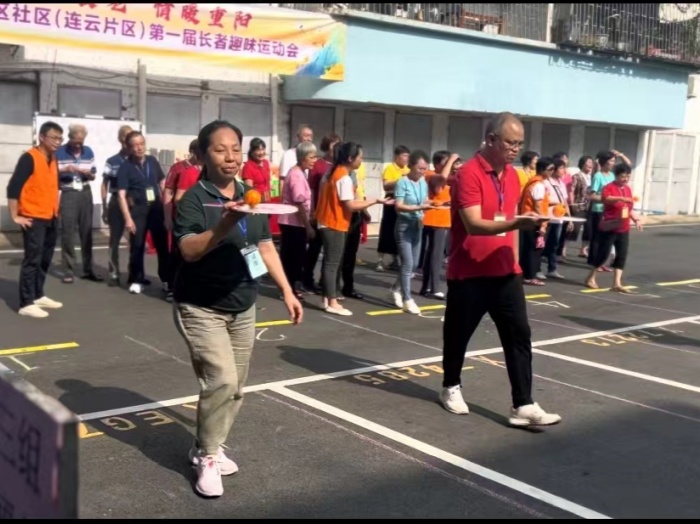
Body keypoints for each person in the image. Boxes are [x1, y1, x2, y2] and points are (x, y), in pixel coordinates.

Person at [172, 120, 303, 498]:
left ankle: (206, 446)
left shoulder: (251, 194)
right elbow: (189, 250)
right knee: (222, 379)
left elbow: (262, 245)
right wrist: (227, 222)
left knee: (236, 386)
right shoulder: (195, 199)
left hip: (243, 303)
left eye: (235, 149)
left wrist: (286, 291)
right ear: (202, 155)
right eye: (220, 149)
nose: (230, 157)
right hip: (201, 305)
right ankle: (208, 457)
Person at [440, 112, 561, 428]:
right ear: (491, 139)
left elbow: (512, 218)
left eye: (519, 143)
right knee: (458, 336)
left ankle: (523, 403)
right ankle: (451, 386)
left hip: (506, 271)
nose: (515, 149)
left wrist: (530, 227)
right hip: (469, 273)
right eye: (510, 142)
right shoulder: (468, 173)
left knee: (519, 336)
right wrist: (516, 223)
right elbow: (474, 223)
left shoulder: (514, 175)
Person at [314, 141, 386, 316]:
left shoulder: (331, 173)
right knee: (332, 263)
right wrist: (375, 201)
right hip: (334, 223)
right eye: (360, 157)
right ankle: (332, 301)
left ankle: (327, 298)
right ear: (350, 158)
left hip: (325, 221)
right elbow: (351, 205)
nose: (361, 160)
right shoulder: (343, 178)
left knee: (329, 263)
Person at [6, 121, 64, 318]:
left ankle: (38, 294)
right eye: (54, 137)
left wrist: (58, 211)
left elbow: (54, 187)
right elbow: (13, 188)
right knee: (33, 258)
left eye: (60, 138)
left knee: (45, 258)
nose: (57, 142)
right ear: (42, 137)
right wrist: (15, 216)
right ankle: (25, 303)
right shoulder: (29, 158)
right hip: (33, 217)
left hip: (50, 216)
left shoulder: (53, 159)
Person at [116, 131, 169, 295]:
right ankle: (136, 279)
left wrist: (167, 207)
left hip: (156, 208)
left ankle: (167, 279)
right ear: (129, 147)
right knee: (137, 246)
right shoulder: (125, 167)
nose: (139, 148)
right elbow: (121, 195)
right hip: (138, 209)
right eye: (135, 145)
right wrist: (128, 219)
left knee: (162, 246)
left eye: (141, 144)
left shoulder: (152, 161)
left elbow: (162, 181)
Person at [584, 163, 642, 291]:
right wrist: (621, 198)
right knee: (603, 254)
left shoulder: (627, 189)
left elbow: (629, 208)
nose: (625, 179)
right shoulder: (609, 187)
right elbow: (606, 198)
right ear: (616, 176)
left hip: (624, 227)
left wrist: (636, 219)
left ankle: (617, 283)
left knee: (621, 254)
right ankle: (590, 277)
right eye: (623, 176)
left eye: (628, 176)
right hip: (610, 226)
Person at [390, 150, 435, 314]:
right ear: (411, 166)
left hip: (418, 225)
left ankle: (395, 288)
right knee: (408, 263)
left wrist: (433, 203)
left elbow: (423, 201)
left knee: (414, 264)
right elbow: (398, 205)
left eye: (424, 168)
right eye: (420, 168)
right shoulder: (403, 182)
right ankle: (407, 298)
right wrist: (419, 207)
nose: (422, 171)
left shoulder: (423, 182)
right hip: (404, 225)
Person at [56, 123, 101, 283]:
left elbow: (94, 174)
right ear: (69, 138)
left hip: (85, 191)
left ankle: (88, 269)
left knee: (86, 232)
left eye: (81, 141)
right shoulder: (59, 152)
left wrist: (89, 174)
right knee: (68, 232)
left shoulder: (88, 151)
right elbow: (50, 173)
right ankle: (68, 270)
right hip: (68, 192)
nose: (78, 144)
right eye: (75, 141)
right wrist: (65, 169)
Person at [278, 141, 317, 298]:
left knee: (293, 257)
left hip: (294, 222)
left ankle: (292, 287)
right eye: (311, 157)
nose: (314, 160)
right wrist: (308, 226)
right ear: (302, 158)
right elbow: (299, 203)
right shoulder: (296, 176)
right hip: (293, 222)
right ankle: (289, 289)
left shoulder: (299, 173)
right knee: (292, 258)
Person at [101, 125, 133, 286]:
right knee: (114, 239)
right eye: (127, 137)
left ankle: (134, 273)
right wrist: (104, 207)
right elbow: (104, 184)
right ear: (121, 139)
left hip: (134, 202)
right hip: (116, 201)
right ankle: (114, 273)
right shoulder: (112, 161)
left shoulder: (139, 160)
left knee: (135, 239)